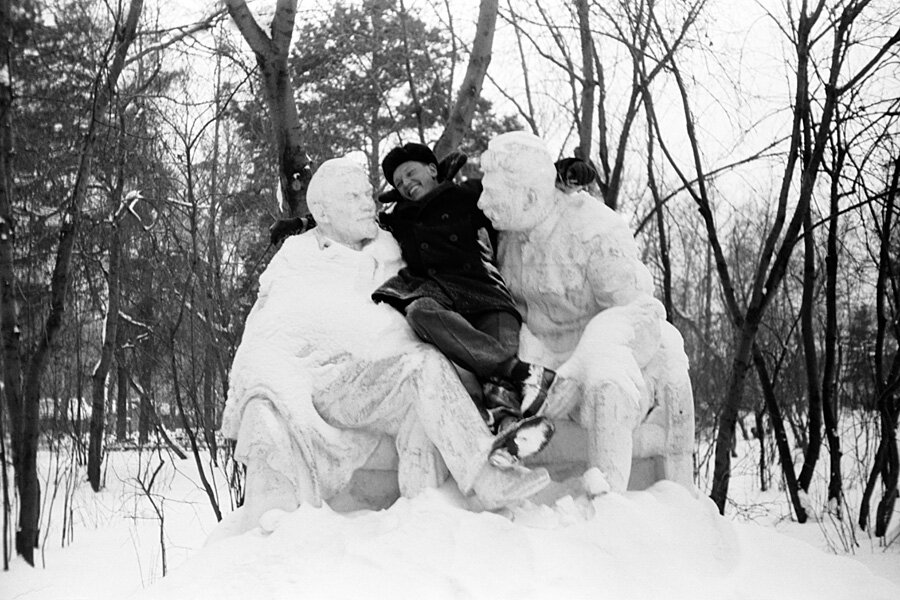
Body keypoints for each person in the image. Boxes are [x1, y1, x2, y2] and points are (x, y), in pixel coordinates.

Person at [220, 158, 551, 536]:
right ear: (324, 212)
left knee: (423, 364)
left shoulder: (391, 248)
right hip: (316, 385)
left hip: (374, 379)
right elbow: (266, 336)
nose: (369, 204)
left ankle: (471, 485)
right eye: (355, 197)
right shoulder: (298, 259)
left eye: (368, 195)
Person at [478, 131, 696, 493]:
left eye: (492, 195)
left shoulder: (594, 232)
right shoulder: (509, 231)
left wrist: (577, 372)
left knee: (606, 385)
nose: (483, 203)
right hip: (539, 360)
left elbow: (641, 314)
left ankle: (607, 505)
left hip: (609, 357)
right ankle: (503, 483)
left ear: (531, 196)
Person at [372, 142, 556, 465]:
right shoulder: (399, 219)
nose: (405, 184)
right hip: (446, 305)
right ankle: (522, 374)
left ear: (432, 169)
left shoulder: (468, 195)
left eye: (410, 173)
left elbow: (519, 183)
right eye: (398, 183)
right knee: (419, 311)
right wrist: (302, 224)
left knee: (497, 385)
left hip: (487, 296)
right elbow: (352, 224)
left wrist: (566, 173)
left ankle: (509, 437)